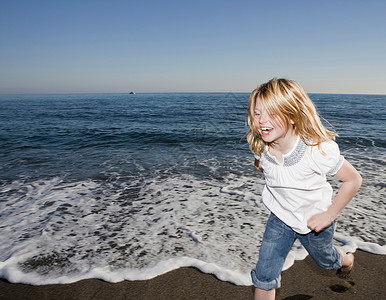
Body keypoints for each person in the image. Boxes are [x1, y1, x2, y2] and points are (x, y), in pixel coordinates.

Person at [246, 78, 362, 300]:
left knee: (326, 260)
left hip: (315, 219)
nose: (261, 121)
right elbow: (261, 163)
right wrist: (264, 167)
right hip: (280, 217)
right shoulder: (261, 145)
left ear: (291, 116)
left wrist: (329, 215)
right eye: (257, 113)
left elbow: (354, 180)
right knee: (265, 274)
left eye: (271, 114)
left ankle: (346, 259)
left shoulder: (316, 151)